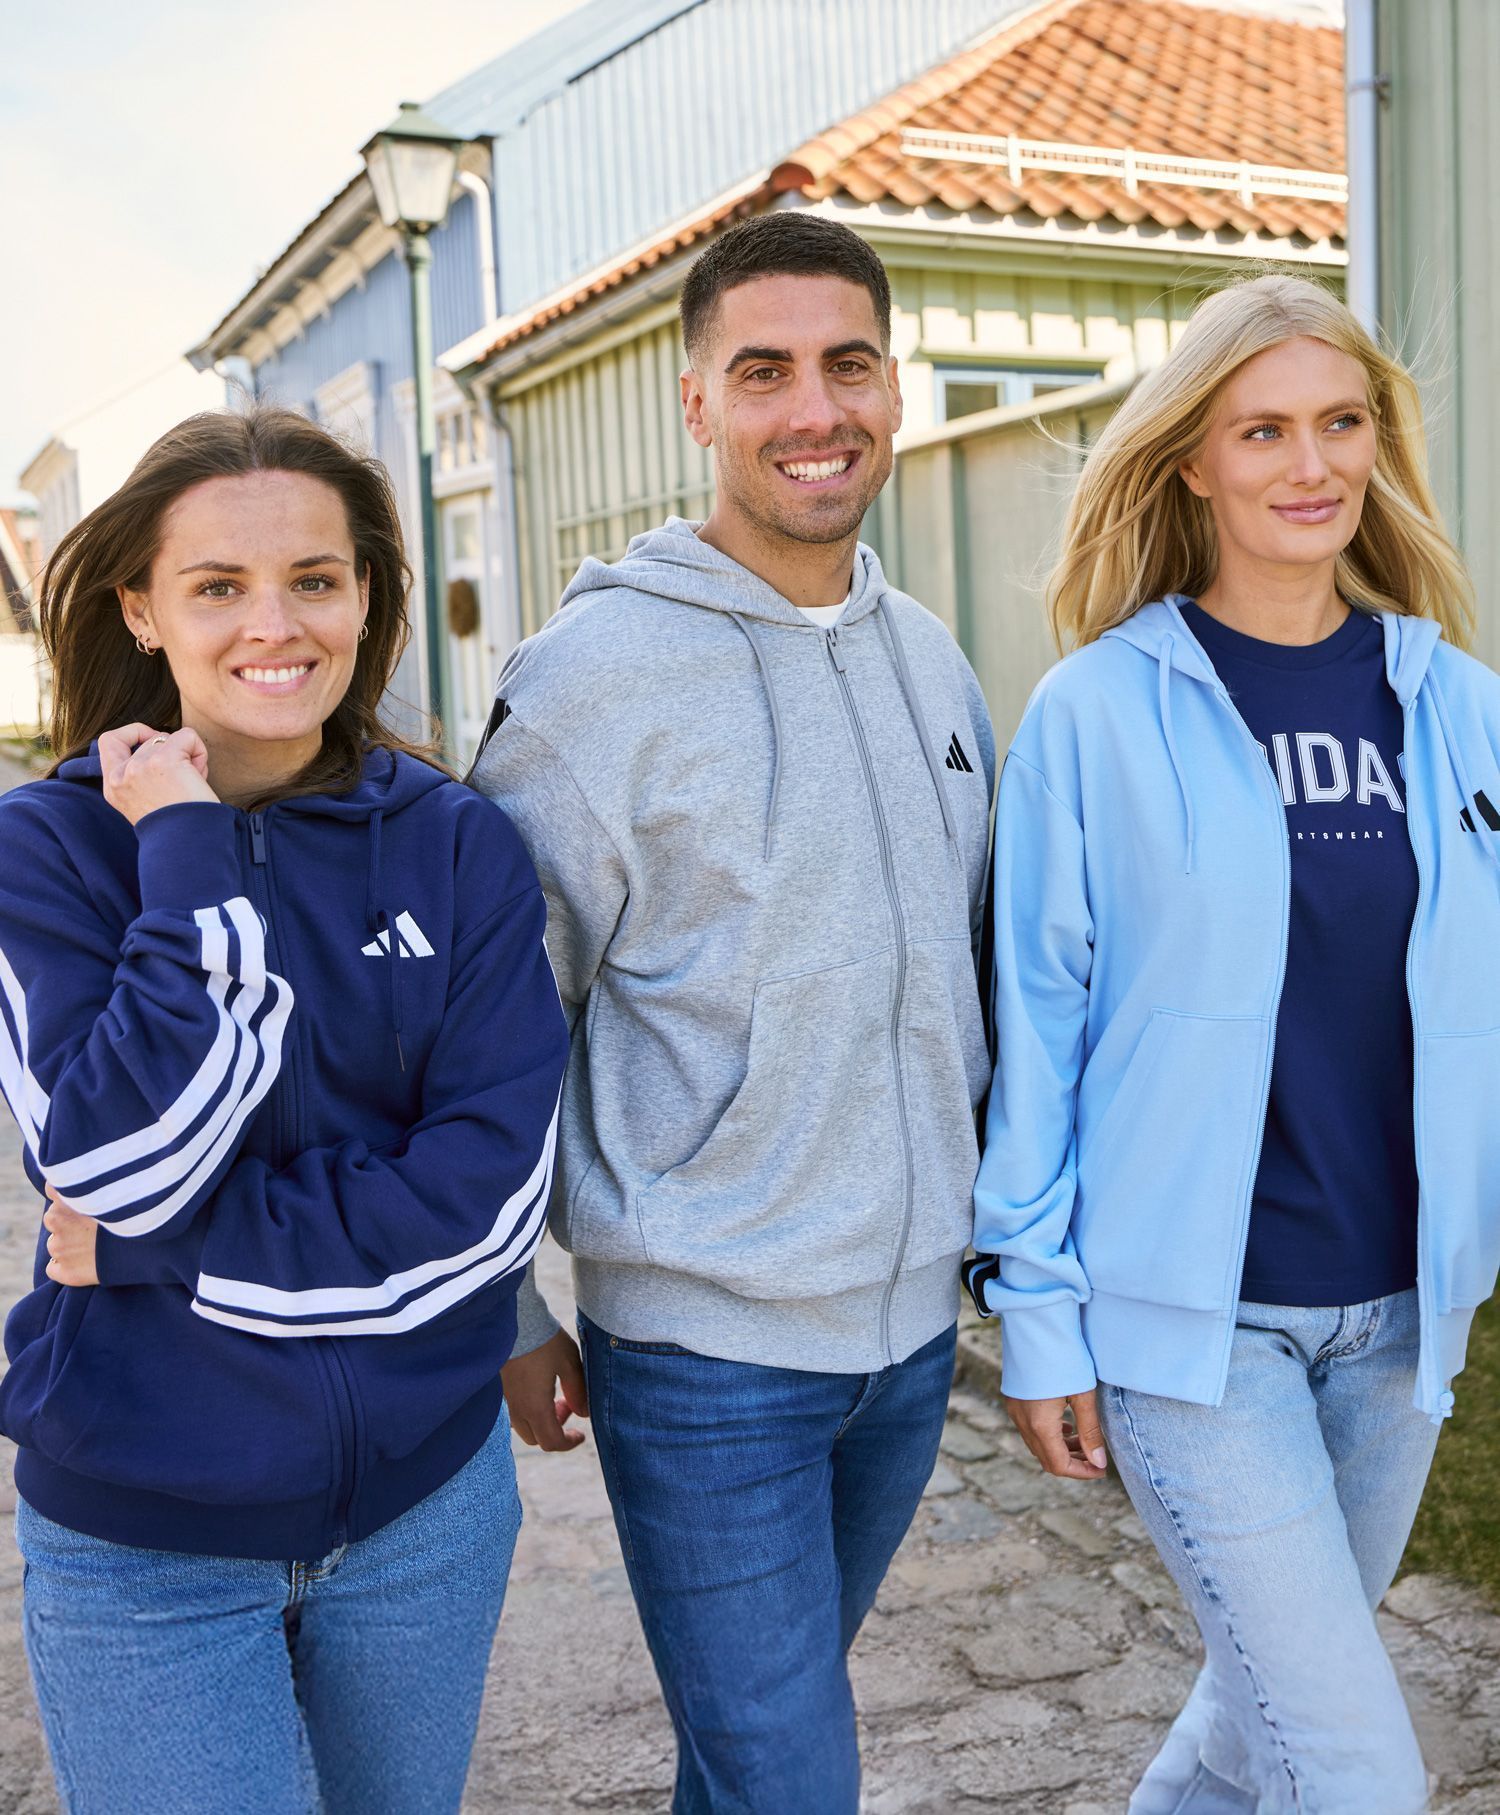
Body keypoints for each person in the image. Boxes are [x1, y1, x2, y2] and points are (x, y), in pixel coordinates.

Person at [470, 212, 995, 1813]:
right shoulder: (590, 683)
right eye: (763, 371)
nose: (813, 410)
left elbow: (974, 973)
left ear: (895, 388)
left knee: (752, 1758)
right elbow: (489, 1027)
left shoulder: (932, 660)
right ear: (697, 402)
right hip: (706, 1354)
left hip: (912, 1342)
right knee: (789, 1779)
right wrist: (507, 1306)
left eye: (848, 365)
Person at [968, 273, 1500, 1812]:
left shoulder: (1458, 707)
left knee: (1252, 1724)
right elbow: (1040, 1035)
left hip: (1400, 1323)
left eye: (1341, 423)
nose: (1309, 464)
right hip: (1198, 1330)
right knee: (1356, 1770)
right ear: (1192, 459)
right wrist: (1039, 1316)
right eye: (1262, 430)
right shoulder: (1095, 714)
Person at [0, 407, 569, 1814]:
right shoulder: (45, 853)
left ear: (366, 596)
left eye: (315, 578)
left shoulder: (457, 843)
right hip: (146, 1545)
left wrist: (161, 1252)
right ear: (141, 609)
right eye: (218, 586)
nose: (276, 624)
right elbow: (119, 1169)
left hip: (423, 1518)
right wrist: (187, 853)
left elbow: (488, 1203)